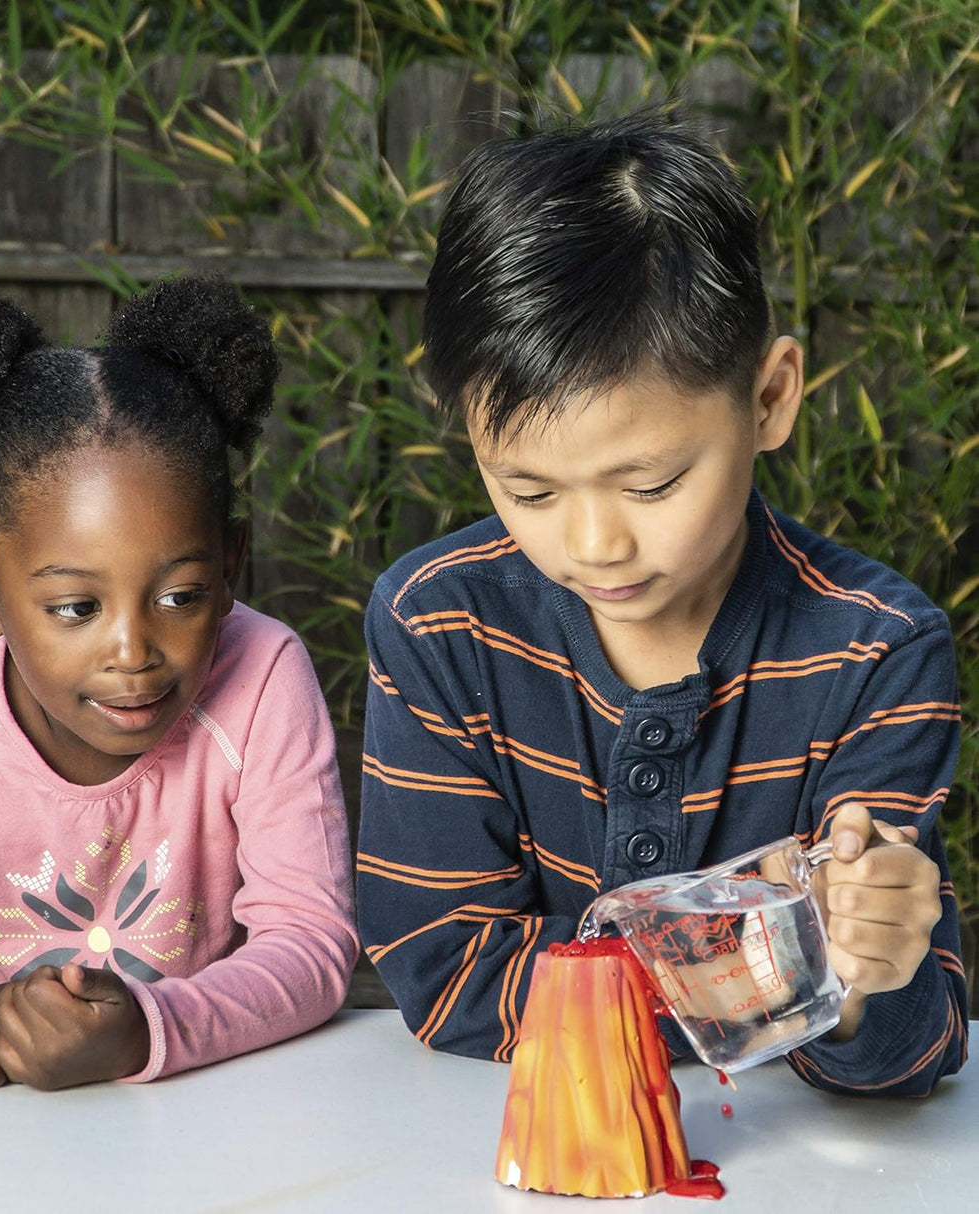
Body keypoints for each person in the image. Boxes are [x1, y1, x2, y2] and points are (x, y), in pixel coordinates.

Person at [356, 110, 967, 1096]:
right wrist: (765, 961)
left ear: (768, 398)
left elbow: (905, 1051)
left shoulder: (874, 648)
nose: (591, 544)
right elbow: (444, 968)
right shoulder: (438, 622)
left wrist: (861, 977)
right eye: (527, 490)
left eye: (648, 485)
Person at [0, 275, 358, 1089]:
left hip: (208, 1109)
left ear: (230, 567)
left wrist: (148, 1029)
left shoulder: (263, 676)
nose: (133, 650)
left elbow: (311, 942)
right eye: (76, 607)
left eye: (179, 596)